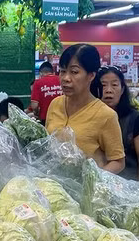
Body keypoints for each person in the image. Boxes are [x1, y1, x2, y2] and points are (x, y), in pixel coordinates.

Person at [46, 44, 125, 174]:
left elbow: (118, 162)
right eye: (62, 71)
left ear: (91, 76)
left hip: (85, 191)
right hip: (54, 185)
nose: (66, 78)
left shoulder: (105, 115)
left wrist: (93, 180)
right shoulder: (55, 104)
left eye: (74, 72)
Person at [91, 66, 139, 182]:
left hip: (127, 185)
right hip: (97, 184)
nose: (108, 90)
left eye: (114, 85)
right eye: (103, 85)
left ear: (122, 89)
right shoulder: (89, 117)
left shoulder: (135, 119)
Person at [29, 62, 62, 126]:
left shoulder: (38, 83)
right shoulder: (61, 80)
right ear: (53, 72)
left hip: (46, 119)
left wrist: (36, 113)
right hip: (62, 117)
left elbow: (34, 105)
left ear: (41, 73)